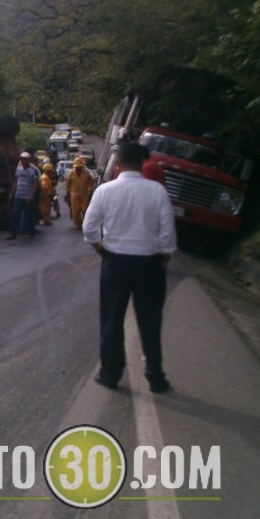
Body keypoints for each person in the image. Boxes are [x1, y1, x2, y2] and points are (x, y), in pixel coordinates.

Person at [82, 141, 177, 393]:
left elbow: (89, 228)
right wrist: (164, 257)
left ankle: (110, 374)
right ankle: (155, 376)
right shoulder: (157, 192)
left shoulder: (105, 190)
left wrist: (101, 249)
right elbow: (168, 233)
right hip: (149, 264)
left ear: (120, 163)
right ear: (143, 162)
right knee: (150, 320)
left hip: (115, 262)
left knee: (111, 319)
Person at [7, 152, 40, 240]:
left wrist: (32, 195)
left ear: (28, 160)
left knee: (29, 215)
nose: (22, 160)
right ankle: (13, 233)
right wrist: (11, 193)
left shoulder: (33, 170)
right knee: (15, 213)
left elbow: (35, 184)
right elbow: (15, 182)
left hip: (28, 196)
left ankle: (30, 232)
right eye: (21, 159)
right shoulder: (19, 169)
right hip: (19, 195)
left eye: (24, 159)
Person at [65, 156, 94, 230]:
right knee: (75, 210)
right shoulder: (71, 173)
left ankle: (85, 223)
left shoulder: (87, 173)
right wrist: (68, 193)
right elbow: (68, 184)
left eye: (79, 167)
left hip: (84, 194)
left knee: (85, 209)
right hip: (74, 194)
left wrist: (91, 191)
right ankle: (77, 223)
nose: (78, 168)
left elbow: (90, 182)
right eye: (77, 167)